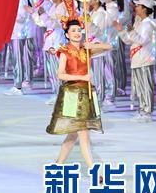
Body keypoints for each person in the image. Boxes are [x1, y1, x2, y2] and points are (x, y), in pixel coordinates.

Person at [46, 19, 111, 167]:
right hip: (71, 94)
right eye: (73, 31)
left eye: (78, 30)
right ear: (67, 35)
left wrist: (94, 45)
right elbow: (60, 75)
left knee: (74, 133)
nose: (77, 33)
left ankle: (58, 164)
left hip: (85, 94)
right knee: (83, 133)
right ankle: (92, 168)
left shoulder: (86, 49)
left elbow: (109, 47)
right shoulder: (64, 51)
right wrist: (81, 77)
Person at [117, 0, 156, 121]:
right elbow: (130, 40)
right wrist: (122, 31)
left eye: (138, 6)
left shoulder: (148, 24)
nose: (135, 7)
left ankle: (147, 112)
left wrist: (131, 32)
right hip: (137, 59)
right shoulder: (140, 23)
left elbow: (141, 40)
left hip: (145, 59)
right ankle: (142, 109)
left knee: (146, 86)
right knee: (140, 86)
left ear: (145, 9)